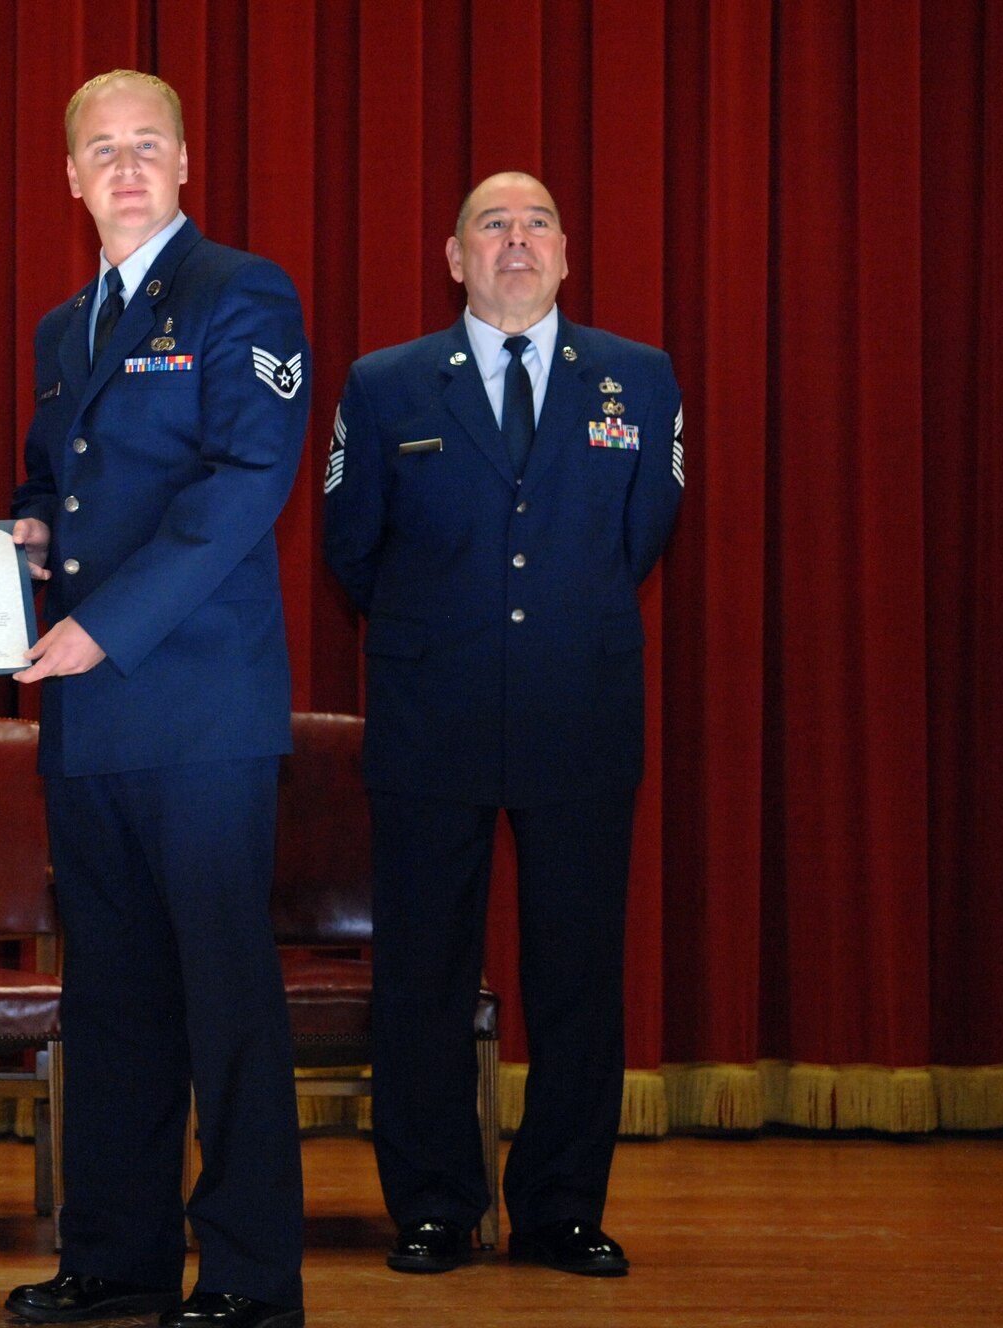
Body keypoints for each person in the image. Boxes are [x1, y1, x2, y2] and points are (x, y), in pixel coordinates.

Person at [322, 171, 684, 1279]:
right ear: (454, 256)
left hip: (579, 709)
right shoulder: (385, 384)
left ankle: (561, 1208)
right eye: (492, 224)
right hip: (430, 712)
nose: (515, 240)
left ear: (566, 254)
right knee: (423, 974)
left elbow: (643, 532)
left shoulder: (637, 377)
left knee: (576, 974)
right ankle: (434, 1204)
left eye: (536, 224)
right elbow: (351, 546)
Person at [0, 70, 309, 1328]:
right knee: (112, 998)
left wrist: (101, 626)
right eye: (100, 150)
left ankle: (246, 1272)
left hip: (197, 715)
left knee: (223, 997)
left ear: (183, 162)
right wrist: (24, 532)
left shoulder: (242, 291)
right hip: (87, 720)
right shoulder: (60, 328)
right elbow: (56, 481)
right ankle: (114, 1257)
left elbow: (244, 482)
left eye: (145, 146)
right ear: (69, 177)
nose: (123, 168)